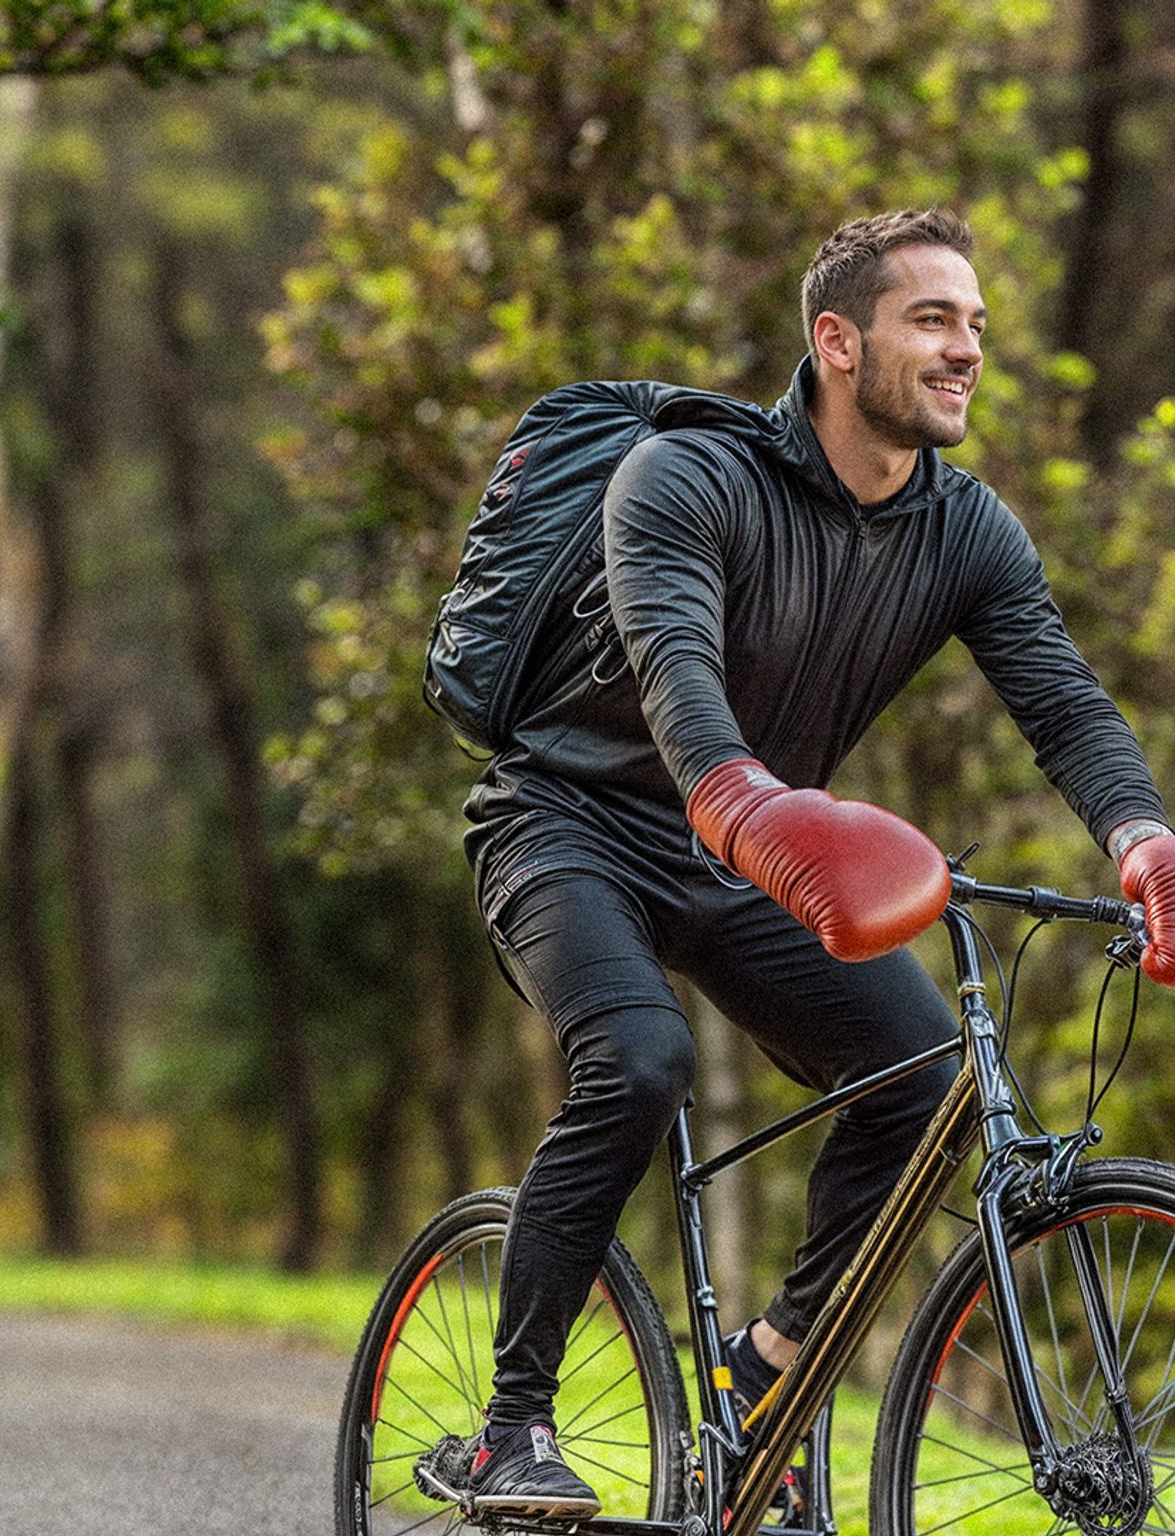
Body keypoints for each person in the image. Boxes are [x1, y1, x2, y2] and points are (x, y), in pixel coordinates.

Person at [457, 207, 1175, 1515]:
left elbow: (1063, 706)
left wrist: (1141, 834)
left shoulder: (969, 532)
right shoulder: (685, 479)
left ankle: (764, 1376)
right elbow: (678, 675)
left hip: (752, 846)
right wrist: (741, 799)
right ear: (836, 341)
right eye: (934, 321)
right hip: (571, 821)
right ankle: (513, 1424)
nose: (968, 351)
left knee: (923, 1078)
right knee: (642, 1060)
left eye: (976, 326)